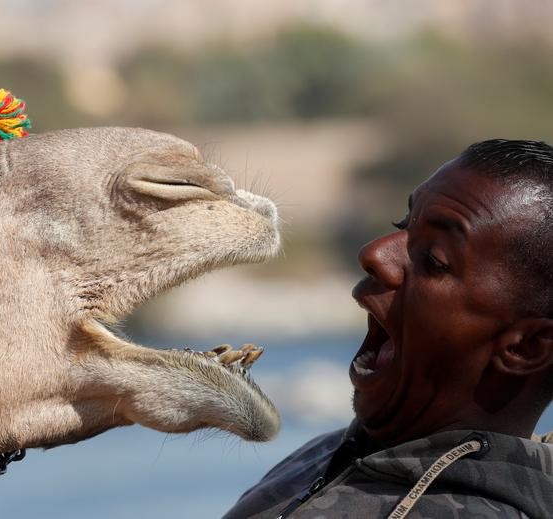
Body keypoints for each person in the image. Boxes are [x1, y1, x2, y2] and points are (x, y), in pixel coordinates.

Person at [224, 139, 553, 518]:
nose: (374, 253)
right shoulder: (325, 455)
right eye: (403, 225)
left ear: (526, 347)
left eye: (433, 259)